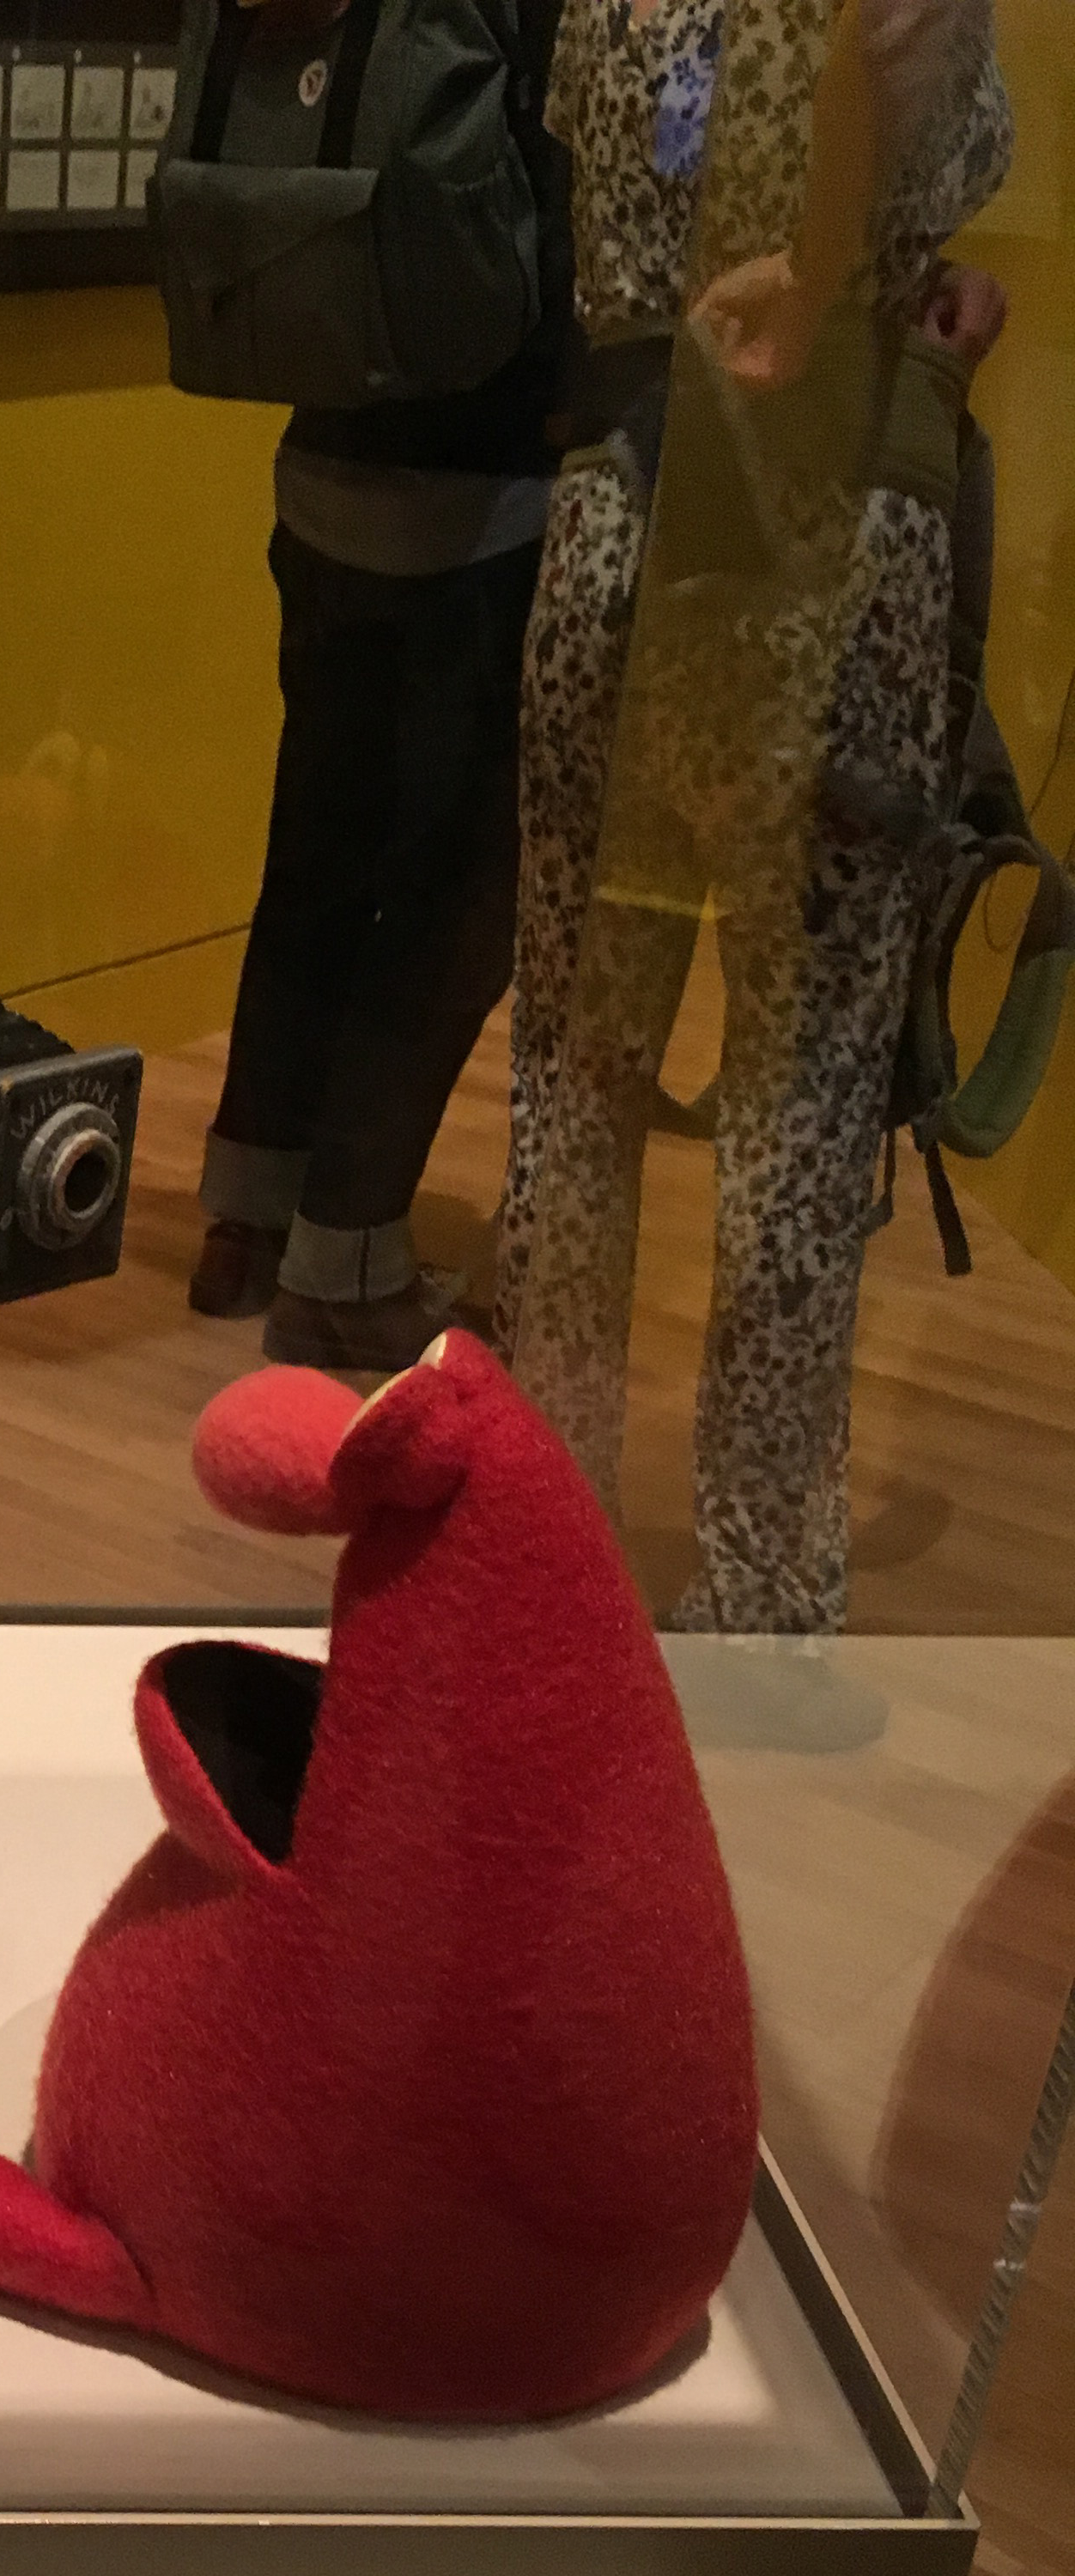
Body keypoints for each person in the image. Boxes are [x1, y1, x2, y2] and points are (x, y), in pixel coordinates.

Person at [495, 0, 1011, 1631]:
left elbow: (633, 185)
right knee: (805, 1089)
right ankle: (765, 1589)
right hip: (831, 537)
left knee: (574, 1066)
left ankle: (544, 1539)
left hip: (618, 515)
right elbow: (907, 107)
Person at [191, 0, 574, 1374]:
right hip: (482, 494)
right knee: (453, 894)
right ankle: (347, 1263)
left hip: (321, 461)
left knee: (318, 849)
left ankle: (247, 1211)